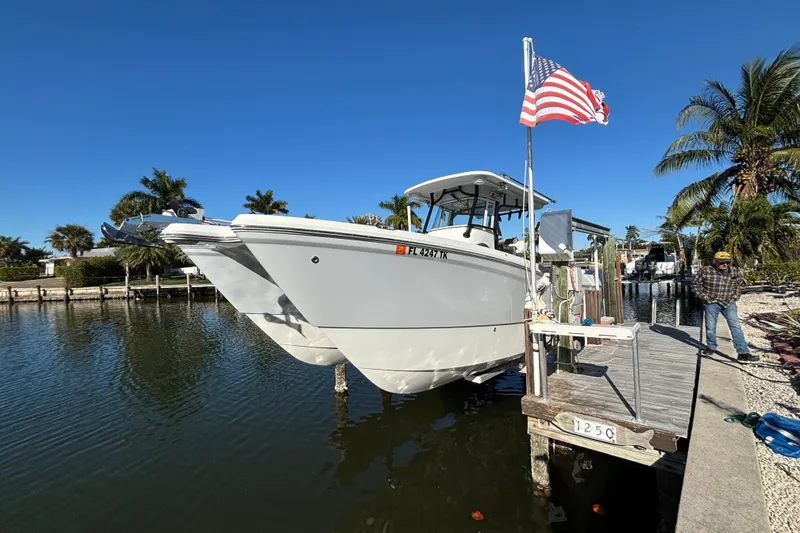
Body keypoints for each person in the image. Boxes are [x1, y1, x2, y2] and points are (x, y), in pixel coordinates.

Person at [692, 251, 758, 362]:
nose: (725, 265)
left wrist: (735, 297)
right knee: (710, 327)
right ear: (714, 261)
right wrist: (703, 296)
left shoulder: (735, 271)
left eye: (727, 262)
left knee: (735, 326)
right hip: (711, 303)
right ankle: (711, 347)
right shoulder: (705, 270)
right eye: (722, 262)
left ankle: (743, 352)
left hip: (728, 303)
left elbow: (738, 285)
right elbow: (695, 284)